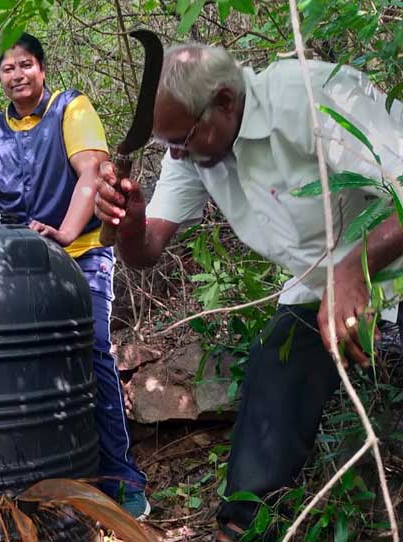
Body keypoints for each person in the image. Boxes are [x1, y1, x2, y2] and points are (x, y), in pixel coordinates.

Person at [94, 43, 403, 541]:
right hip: (318, 285)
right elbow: (147, 249)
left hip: (386, 255)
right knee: (273, 371)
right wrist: (130, 224)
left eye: (182, 139)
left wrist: (353, 268)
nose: (175, 154)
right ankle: (243, 528)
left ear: (224, 100)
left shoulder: (308, 95)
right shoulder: (194, 148)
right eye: (166, 143)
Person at [0, 32, 150, 517]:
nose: (17, 75)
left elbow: (92, 170)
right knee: (11, 365)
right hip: (15, 268)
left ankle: (123, 479)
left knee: (93, 354)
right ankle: (30, 479)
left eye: (25, 65)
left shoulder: (72, 108)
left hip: (80, 253)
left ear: (42, 69)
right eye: (7, 68)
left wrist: (65, 232)